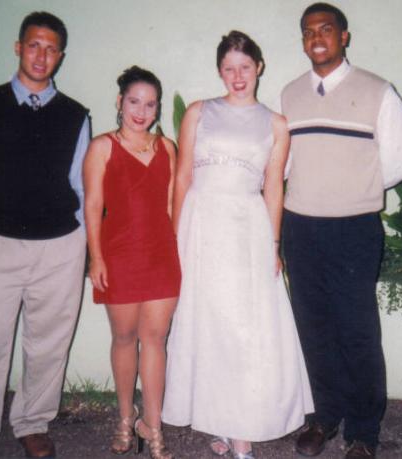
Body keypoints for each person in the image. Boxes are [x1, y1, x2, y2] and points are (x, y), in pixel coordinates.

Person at [162, 31, 313, 459]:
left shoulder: (276, 124)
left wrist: (274, 244)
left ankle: (241, 426)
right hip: (201, 224)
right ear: (219, 72)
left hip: (247, 228)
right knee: (208, 324)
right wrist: (175, 237)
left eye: (245, 67)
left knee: (244, 327)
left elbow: (273, 190)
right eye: (229, 68)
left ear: (259, 67)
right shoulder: (198, 112)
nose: (237, 76)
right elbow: (182, 177)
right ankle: (221, 421)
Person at [0, 11, 90, 459]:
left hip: (59, 247)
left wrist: (82, 241)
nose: (41, 55)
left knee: (48, 344)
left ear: (60, 56)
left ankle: (32, 422)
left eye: (50, 48)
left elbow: (83, 188)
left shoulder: (75, 115)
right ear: (18, 47)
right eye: (34, 45)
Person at [281, 3, 402, 458]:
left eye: (325, 29)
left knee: (357, 330)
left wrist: (351, 190)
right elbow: (288, 163)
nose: (316, 38)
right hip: (300, 226)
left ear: (344, 36)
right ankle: (326, 415)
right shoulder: (290, 94)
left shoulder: (379, 91)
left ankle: (363, 431)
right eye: (308, 32)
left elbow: (401, 160)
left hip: (354, 229)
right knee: (314, 327)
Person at [83, 66, 180, 459]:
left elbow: (173, 206)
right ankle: (126, 417)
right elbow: (91, 206)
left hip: (161, 258)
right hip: (119, 257)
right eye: (134, 101)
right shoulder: (102, 147)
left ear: (157, 109)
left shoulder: (167, 147)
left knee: (155, 341)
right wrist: (96, 258)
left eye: (150, 103)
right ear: (120, 102)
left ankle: (151, 427)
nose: (142, 110)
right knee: (124, 338)